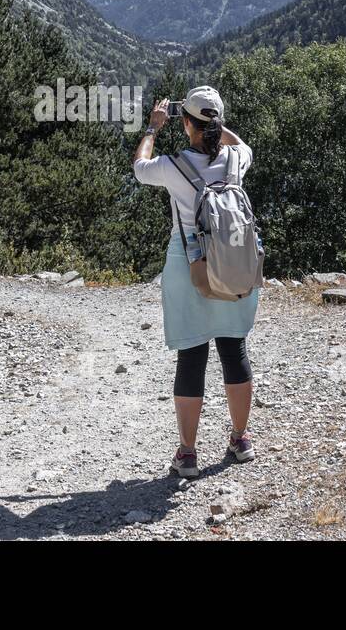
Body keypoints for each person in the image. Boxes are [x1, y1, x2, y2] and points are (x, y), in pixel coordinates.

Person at [132, 85, 258, 478]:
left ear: (184, 123)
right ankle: (240, 439)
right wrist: (217, 126)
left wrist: (152, 127)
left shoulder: (173, 166)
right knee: (233, 348)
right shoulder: (237, 158)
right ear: (218, 123)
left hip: (189, 263)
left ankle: (187, 454)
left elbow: (139, 167)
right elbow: (241, 143)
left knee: (192, 355)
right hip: (236, 261)